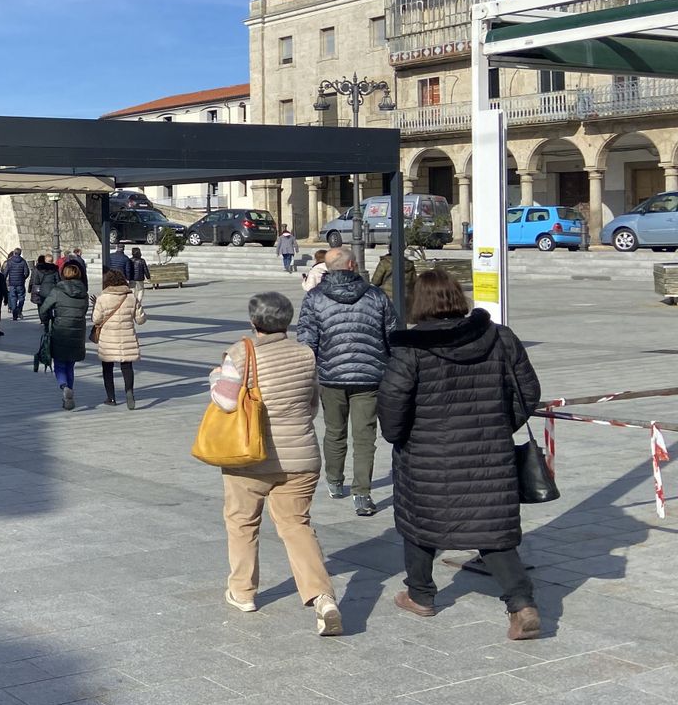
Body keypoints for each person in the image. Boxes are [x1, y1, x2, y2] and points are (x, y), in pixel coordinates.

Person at [377, 268, 542, 640]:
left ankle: (421, 595)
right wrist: (500, 425)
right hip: (489, 454)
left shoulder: (411, 348)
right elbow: (528, 391)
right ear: (458, 297)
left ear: (419, 303)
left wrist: (398, 435)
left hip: (426, 455)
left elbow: (392, 401)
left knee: (419, 523)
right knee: (492, 530)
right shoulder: (499, 336)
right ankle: (521, 604)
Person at [214, 291, 342, 636]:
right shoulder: (305, 354)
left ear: (254, 321)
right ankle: (322, 597)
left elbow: (225, 402)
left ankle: (243, 592)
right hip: (301, 457)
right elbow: (313, 404)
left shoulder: (241, 353)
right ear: (287, 321)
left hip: (250, 457)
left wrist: (215, 377)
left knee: (242, 522)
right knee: (296, 525)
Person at [296, 248, 397, 517]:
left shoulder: (314, 298)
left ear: (327, 268)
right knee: (365, 436)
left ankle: (335, 480)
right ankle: (362, 494)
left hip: (331, 376)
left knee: (334, 430)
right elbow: (393, 335)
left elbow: (306, 340)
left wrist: (311, 373)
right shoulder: (376, 296)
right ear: (352, 265)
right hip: (370, 376)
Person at [38, 261, 89, 410]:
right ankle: (69, 394)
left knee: (59, 364)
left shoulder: (57, 291)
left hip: (60, 330)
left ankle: (64, 387)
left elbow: (43, 309)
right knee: (70, 365)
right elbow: (84, 311)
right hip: (77, 332)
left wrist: (47, 321)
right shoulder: (83, 292)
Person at [92, 269, 140, 408]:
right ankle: (129, 391)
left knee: (107, 368)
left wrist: (95, 308)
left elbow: (96, 319)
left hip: (108, 339)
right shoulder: (131, 297)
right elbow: (141, 319)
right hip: (127, 336)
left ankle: (111, 398)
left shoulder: (102, 298)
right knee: (127, 366)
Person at [4, 248, 30, 320]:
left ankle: (14, 314)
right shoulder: (23, 261)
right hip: (20, 283)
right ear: (20, 253)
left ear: (14, 253)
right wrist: (23, 278)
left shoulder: (10, 261)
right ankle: (19, 310)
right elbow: (27, 272)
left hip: (12, 283)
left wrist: (4, 279)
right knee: (21, 297)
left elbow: (5, 272)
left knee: (13, 298)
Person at [127, 246, 152, 311]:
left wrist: (128, 277)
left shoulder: (130, 260)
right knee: (141, 290)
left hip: (132, 278)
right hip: (139, 278)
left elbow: (128, 269)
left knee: (132, 290)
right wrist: (148, 277)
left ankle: (133, 302)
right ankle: (138, 303)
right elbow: (146, 270)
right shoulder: (142, 260)